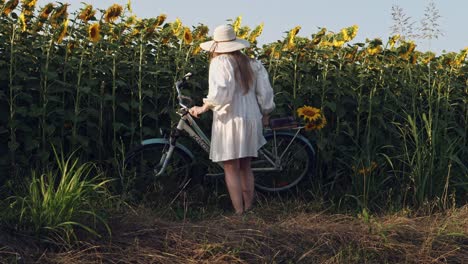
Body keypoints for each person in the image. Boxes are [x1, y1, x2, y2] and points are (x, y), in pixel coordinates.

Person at [189, 24, 275, 215]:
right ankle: (249, 208)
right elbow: (266, 92)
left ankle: (239, 213)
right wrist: (266, 113)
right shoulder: (253, 64)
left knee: (230, 167)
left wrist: (204, 107)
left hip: (230, 119)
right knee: (245, 166)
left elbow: (221, 93)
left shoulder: (220, 63)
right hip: (251, 117)